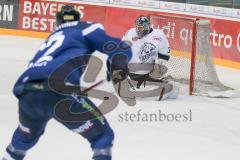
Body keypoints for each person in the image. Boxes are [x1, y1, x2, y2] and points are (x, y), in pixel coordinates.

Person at [2, 5, 131, 160]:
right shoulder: (86, 28)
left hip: (28, 93)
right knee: (102, 137)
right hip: (61, 90)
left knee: (23, 140)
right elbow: (119, 48)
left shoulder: (52, 37)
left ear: (58, 22)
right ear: (78, 18)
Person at [107, 15, 179, 100]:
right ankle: (127, 85)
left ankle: (167, 86)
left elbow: (164, 53)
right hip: (129, 71)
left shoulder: (158, 35)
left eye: (141, 28)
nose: (138, 30)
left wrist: (159, 66)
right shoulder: (130, 32)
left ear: (147, 26)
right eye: (137, 27)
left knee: (166, 91)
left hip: (147, 74)